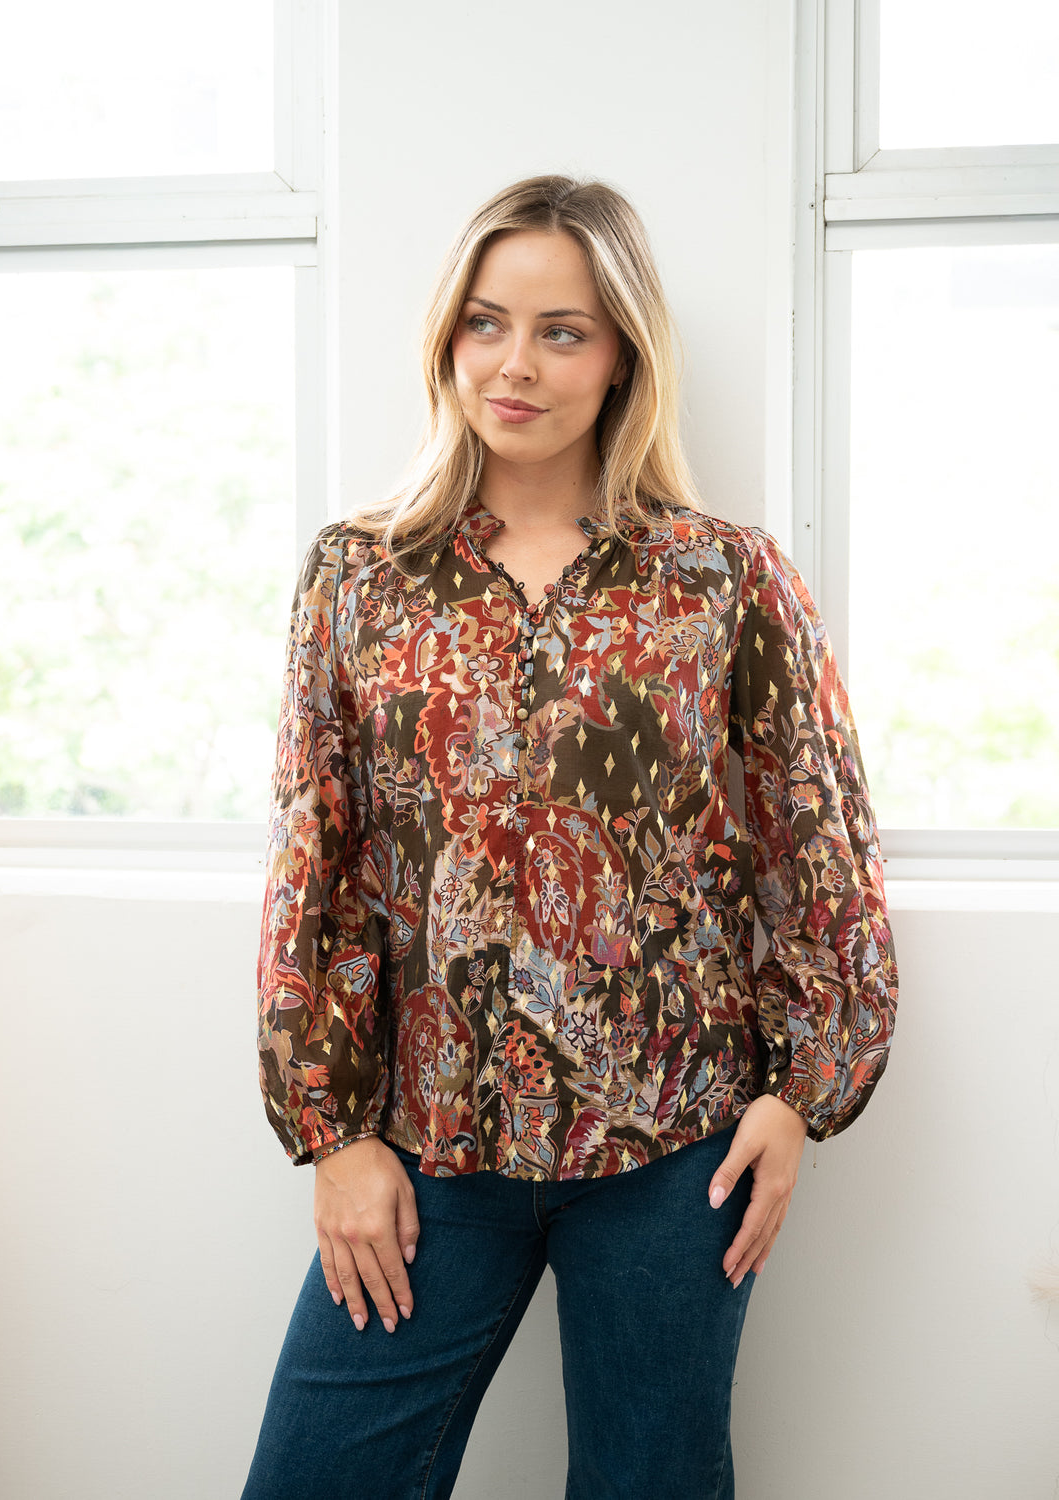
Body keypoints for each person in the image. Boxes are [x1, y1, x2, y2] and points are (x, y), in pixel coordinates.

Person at [241, 174, 898, 1500]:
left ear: (622, 358)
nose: (515, 363)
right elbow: (317, 858)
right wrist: (334, 1134)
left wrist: (798, 1095)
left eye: (562, 330)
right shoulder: (357, 574)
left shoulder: (726, 578)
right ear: (446, 341)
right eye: (486, 323)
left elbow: (818, 841)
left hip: (672, 1157)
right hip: (427, 1150)